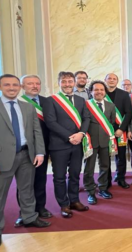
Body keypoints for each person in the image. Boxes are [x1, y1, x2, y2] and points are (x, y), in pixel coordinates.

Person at [0, 74, 50, 246]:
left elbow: (37, 131)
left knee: (27, 190)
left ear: (19, 87)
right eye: (7, 85)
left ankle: (29, 217)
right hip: (3, 158)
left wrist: (40, 153)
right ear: (1, 87)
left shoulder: (27, 107)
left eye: (14, 85)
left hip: (26, 155)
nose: (11, 88)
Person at [43, 71, 91, 218]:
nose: (68, 84)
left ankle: (74, 200)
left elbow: (86, 119)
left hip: (77, 144)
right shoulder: (50, 100)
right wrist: (69, 137)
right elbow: (50, 122)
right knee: (59, 177)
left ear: (74, 82)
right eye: (64, 81)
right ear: (59, 83)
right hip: (59, 144)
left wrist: (81, 134)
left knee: (75, 174)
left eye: (70, 81)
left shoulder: (81, 100)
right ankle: (64, 204)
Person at [14, 75, 52, 228]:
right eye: (30, 83)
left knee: (40, 179)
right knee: (24, 182)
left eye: (37, 83)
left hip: (43, 147)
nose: (34, 86)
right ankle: (24, 212)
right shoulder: (18, 102)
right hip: (25, 149)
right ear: (22, 86)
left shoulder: (47, 101)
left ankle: (40, 207)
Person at [83, 80, 116, 205]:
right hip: (90, 141)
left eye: (101, 90)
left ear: (105, 92)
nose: (99, 92)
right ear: (91, 91)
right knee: (89, 168)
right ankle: (90, 191)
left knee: (105, 166)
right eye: (96, 89)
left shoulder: (110, 106)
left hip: (105, 141)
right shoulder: (86, 104)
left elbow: (112, 122)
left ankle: (103, 188)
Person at [104, 73, 132, 189]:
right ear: (105, 80)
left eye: (114, 79)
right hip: (105, 131)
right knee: (105, 157)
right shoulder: (100, 93)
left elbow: (128, 113)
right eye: (109, 78)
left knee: (121, 156)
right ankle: (107, 180)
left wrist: (121, 129)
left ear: (117, 81)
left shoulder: (124, 94)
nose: (111, 80)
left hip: (120, 132)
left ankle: (121, 178)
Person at [120, 79, 132, 172]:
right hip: (120, 128)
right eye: (123, 85)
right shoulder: (119, 96)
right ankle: (121, 172)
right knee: (120, 152)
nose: (126, 86)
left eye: (128, 84)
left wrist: (130, 128)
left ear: (131, 86)